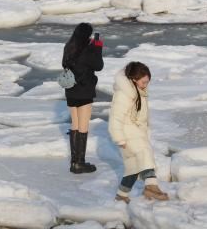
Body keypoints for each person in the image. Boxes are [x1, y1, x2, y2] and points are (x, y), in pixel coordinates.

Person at [108, 61, 168, 203]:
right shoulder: (124, 94)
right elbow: (115, 118)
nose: (146, 85)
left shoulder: (139, 91)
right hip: (127, 132)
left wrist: (145, 132)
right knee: (145, 153)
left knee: (134, 166)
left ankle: (122, 195)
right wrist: (119, 138)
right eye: (143, 82)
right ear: (134, 79)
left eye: (147, 82)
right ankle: (151, 187)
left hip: (137, 132)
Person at [62, 22, 103, 174]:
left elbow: (64, 64)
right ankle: (80, 163)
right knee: (83, 126)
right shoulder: (89, 49)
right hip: (84, 90)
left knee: (75, 124)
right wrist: (98, 48)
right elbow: (99, 66)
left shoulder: (68, 47)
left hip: (71, 90)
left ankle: (74, 162)